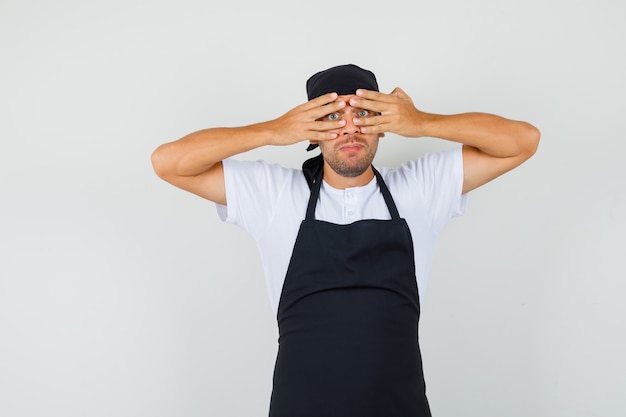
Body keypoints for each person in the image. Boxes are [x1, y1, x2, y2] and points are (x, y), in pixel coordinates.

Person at [151, 64, 540, 417]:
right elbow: (168, 162)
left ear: (384, 124)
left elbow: (523, 140)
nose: (350, 128)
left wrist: (422, 123)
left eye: (364, 114)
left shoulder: (420, 188)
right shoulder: (274, 195)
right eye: (331, 116)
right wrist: (273, 130)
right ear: (309, 130)